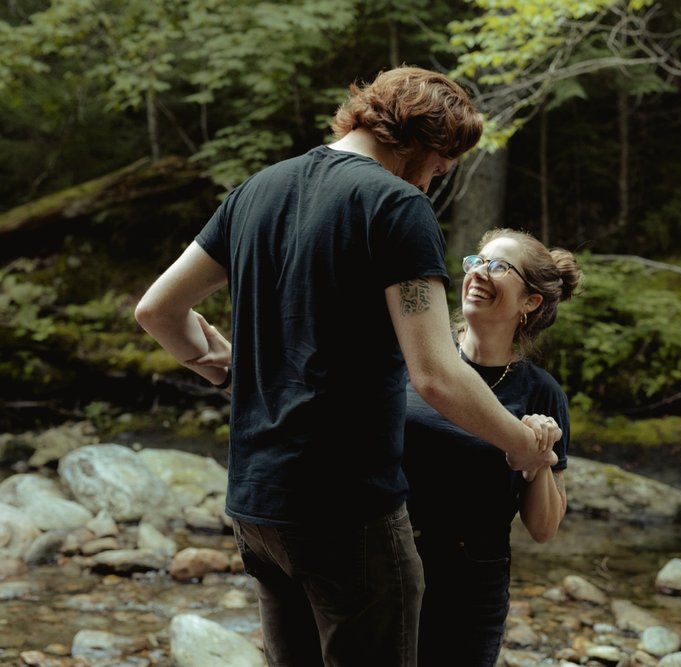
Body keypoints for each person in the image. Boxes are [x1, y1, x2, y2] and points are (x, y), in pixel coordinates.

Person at [133, 66, 558, 667]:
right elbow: (435, 375)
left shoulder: (256, 189)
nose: (436, 182)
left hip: (256, 505)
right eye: (441, 167)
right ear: (427, 140)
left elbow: (157, 310)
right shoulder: (396, 205)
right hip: (345, 512)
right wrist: (523, 444)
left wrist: (229, 371)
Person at [403, 227, 584, 666]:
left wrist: (538, 455)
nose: (479, 273)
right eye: (476, 262)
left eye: (499, 267)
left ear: (531, 302)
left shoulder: (542, 394)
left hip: (471, 587)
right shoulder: (420, 354)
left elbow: (543, 529)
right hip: (389, 568)